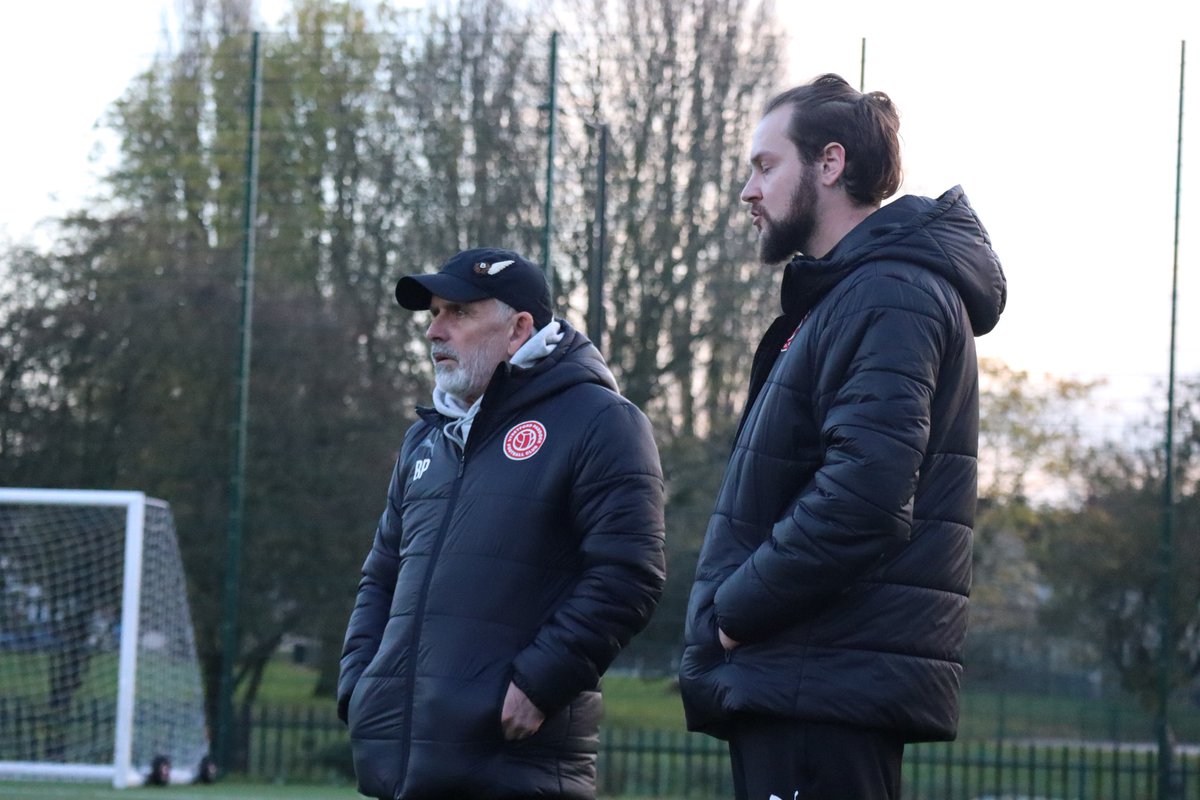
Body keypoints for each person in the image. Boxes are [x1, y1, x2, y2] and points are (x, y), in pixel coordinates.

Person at [678, 74, 1007, 799]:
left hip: (818, 688)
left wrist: (732, 614)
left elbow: (864, 498)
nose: (748, 191)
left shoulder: (892, 294)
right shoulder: (847, 298)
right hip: (802, 685)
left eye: (766, 166)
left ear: (830, 164)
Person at [338, 247, 666, 800]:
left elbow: (628, 574)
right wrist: (360, 683)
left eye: (458, 313)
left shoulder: (602, 422)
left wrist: (539, 683)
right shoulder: (426, 438)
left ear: (518, 329)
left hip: (516, 769)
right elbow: (381, 575)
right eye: (434, 314)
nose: (435, 331)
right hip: (400, 771)